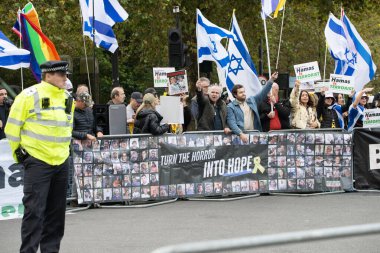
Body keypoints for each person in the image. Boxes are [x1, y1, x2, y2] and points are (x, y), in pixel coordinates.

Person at [4, 61, 74, 253]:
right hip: (38, 162)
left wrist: (65, 153)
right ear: (48, 75)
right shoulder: (28, 95)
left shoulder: (68, 98)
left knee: (56, 215)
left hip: (61, 161)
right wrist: (22, 156)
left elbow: (67, 128)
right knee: (34, 213)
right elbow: (11, 129)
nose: (65, 78)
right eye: (61, 74)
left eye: (65, 74)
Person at [227, 72, 278, 143]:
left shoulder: (251, 100)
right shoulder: (230, 106)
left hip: (254, 135)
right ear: (235, 95)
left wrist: (271, 80)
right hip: (240, 137)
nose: (244, 94)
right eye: (241, 92)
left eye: (244, 91)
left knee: (256, 154)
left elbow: (263, 93)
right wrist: (240, 134)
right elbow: (231, 122)